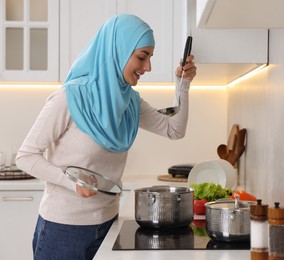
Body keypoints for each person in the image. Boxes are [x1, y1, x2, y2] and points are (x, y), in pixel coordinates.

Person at [16, 14, 196, 259]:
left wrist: (182, 84)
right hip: (63, 229)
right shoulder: (69, 97)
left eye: (150, 58)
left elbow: (174, 130)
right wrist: (73, 183)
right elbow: (25, 156)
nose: (148, 67)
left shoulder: (130, 101)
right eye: (142, 57)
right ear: (118, 51)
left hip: (108, 226)